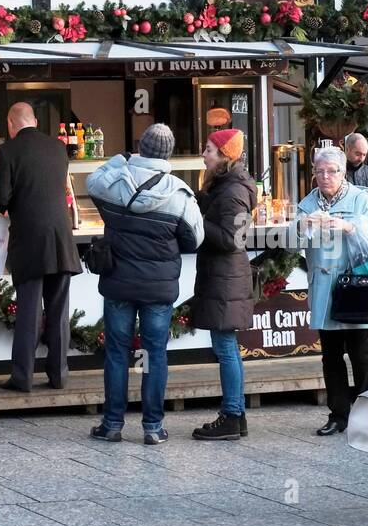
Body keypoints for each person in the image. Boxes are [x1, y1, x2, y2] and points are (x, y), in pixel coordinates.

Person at [86, 123, 204, 444]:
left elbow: (91, 181)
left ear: (140, 147)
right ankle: (152, 427)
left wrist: (120, 159)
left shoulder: (116, 181)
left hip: (119, 283)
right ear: (168, 153)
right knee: (153, 354)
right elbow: (195, 238)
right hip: (157, 287)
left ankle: (112, 424)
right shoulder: (178, 193)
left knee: (117, 353)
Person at [0, 102, 82, 392]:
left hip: (29, 241)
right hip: (61, 238)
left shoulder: (6, 151)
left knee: (29, 313)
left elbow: (0, 199)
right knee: (59, 313)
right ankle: (58, 376)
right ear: (34, 121)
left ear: (11, 123)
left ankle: (23, 377)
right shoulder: (57, 148)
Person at [298, 144, 368, 436]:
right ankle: (338, 415)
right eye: (319, 171)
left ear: (343, 172)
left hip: (355, 287)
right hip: (324, 289)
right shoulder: (308, 203)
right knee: (330, 355)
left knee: (361, 354)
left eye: (332, 171)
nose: (325, 176)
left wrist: (349, 227)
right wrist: (302, 227)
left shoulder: (359, 199)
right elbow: (292, 243)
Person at [191, 129, 257, 441]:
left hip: (226, 277)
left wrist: (197, 221)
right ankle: (235, 415)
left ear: (224, 155)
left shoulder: (233, 191)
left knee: (226, 348)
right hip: (223, 275)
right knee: (225, 346)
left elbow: (233, 240)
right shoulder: (226, 185)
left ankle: (232, 414)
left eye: (209, 149)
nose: (204, 154)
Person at [344, 133, 368, 207]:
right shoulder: (337, 172)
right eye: (357, 154)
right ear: (347, 149)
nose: (361, 159)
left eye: (364, 155)